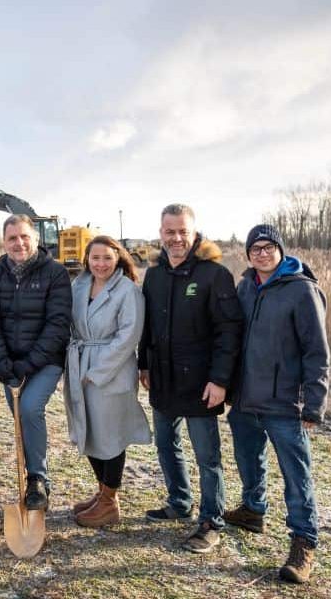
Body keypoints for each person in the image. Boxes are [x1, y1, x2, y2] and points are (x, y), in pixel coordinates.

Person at [224, 224, 329, 584]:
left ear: (281, 251)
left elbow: (317, 350)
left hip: (285, 401)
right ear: (248, 254)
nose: (262, 253)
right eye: (255, 248)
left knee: (296, 475)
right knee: (247, 459)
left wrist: (314, 403)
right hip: (245, 398)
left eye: (269, 247)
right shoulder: (245, 288)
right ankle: (253, 510)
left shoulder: (302, 291)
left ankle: (304, 541)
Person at [138, 203, 243, 553]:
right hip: (164, 378)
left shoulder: (214, 275)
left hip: (201, 382)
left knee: (207, 456)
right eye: (170, 231)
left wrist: (220, 380)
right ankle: (179, 501)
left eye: (183, 231)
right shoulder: (154, 274)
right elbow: (147, 325)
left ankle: (212, 519)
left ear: (194, 232)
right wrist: (144, 364)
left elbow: (229, 332)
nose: (177, 238)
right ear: (161, 233)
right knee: (166, 444)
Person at [0, 214, 72, 511]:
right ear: (3, 241)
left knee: (30, 409)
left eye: (24, 237)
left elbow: (58, 324)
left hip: (45, 361)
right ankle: (35, 479)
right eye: (11, 238)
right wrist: (1, 360)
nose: (18, 243)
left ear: (35, 239)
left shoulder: (55, 273)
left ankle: (38, 479)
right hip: (9, 363)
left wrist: (28, 364)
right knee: (21, 419)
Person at [64, 236, 151, 528]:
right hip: (80, 362)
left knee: (110, 436)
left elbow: (128, 337)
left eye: (107, 258)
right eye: (95, 257)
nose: (100, 264)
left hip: (111, 369)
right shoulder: (79, 286)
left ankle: (109, 502)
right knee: (88, 430)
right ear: (87, 258)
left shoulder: (128, 291)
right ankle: (103, 492)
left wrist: (98, 371)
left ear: (118, 259)